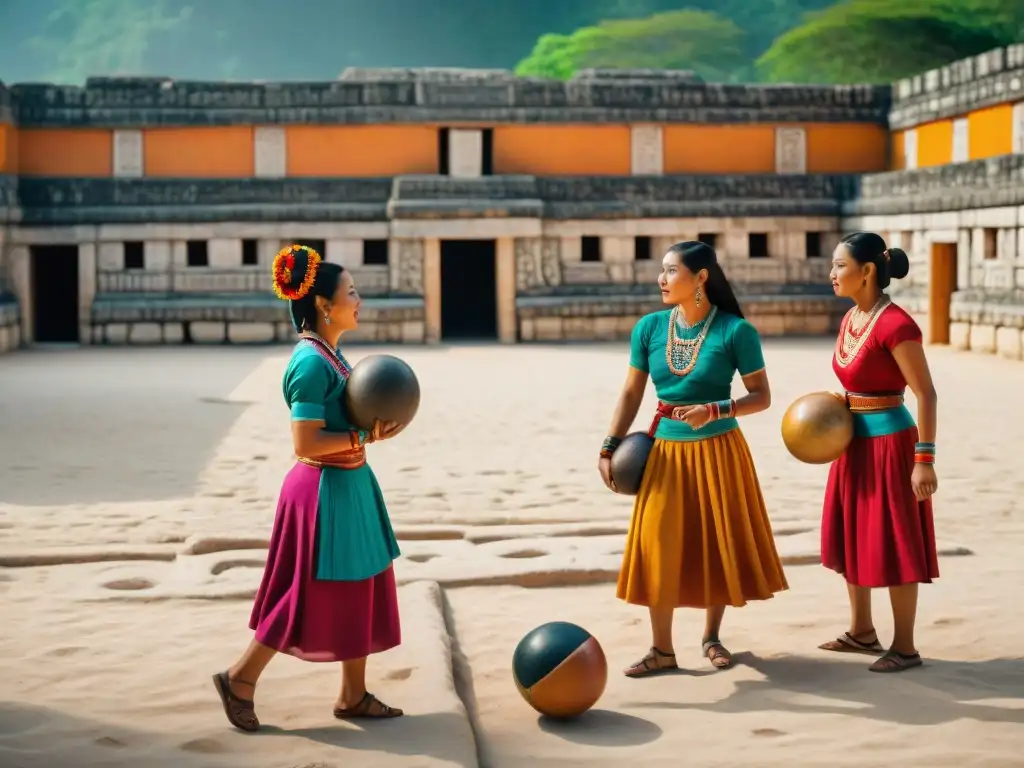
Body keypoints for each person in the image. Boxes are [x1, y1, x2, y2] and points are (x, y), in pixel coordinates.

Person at [212, 244, 406, 731]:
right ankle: (239, 678)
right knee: (304, 593)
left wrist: (365, 439)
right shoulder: (310, 363)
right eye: (352, 292)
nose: (359, 300)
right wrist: (364, 435)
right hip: (320, 492)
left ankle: (353, 694)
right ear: (323, 303)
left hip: (348, 484)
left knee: (362, 583)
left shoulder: (331, 354)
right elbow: (307, 440)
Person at [600, 240, 789, 676]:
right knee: (658, 546)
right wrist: (609, 446)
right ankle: (662, 649)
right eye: (662, 270)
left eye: (671, 271)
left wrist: (717, 410)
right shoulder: (648, 328)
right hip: (662, 452)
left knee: (716, 542)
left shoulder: (735, 332)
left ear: (700, 277)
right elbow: (631, 393)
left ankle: (711, 637)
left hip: (720, 450)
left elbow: (761, 397)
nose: (661, 279)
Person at [818, 231, 939, 673]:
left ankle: (904, 647)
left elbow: (926, 394)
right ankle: (862, 631)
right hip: (852, 443)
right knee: (854, 534)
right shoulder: (852, 319)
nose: (831, 273)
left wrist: (923, 460)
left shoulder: (897, 325)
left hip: (892, 446)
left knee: (895, 540)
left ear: (867, 271)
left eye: (839, 265)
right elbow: (859, 381)